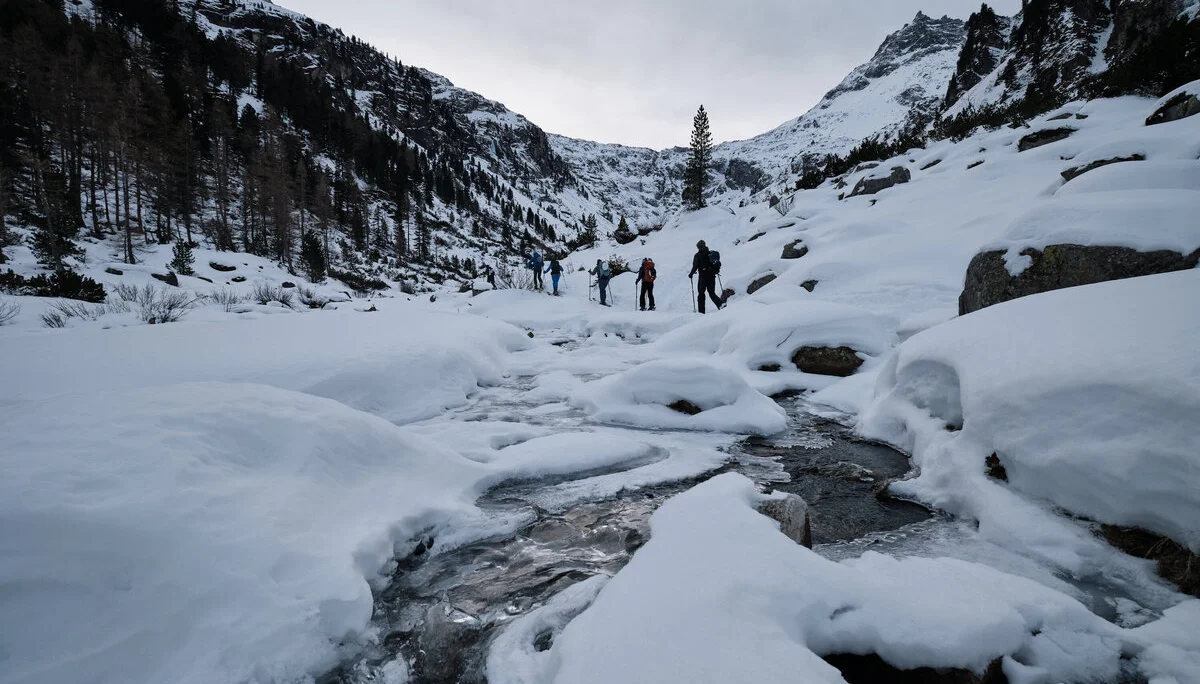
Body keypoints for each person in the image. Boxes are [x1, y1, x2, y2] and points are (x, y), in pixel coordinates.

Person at [688, 240, 723, 314]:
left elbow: (695, 266)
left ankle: (701, 312)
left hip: (703, 277)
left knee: (701, 294)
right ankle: (721, 305)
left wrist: (691, 274)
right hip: (711, 276)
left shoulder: (697, 255)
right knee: (712, 293)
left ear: (698, 247)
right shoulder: (710, 253)